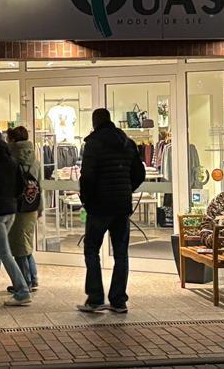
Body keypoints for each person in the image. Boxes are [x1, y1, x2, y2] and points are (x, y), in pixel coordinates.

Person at [78, 108, 145, 314]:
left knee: (91, 250)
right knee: (121, 253)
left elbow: (87, 177)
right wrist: (126, 189)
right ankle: (118, 300)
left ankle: (95, 298)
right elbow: (139, 173)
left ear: (95, 122)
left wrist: (86, 200)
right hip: (121, 206)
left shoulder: (93, 144)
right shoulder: (127, 143)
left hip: (99, 206)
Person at [0, 130, 32, 306]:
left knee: (4, 253)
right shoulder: (11, 160)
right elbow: (21, 187)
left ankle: (22, 291)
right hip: (10, 211)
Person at [6, 126, 41, 292]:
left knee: (19, 246)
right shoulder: (35, 160)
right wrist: (40, 207)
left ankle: (25, 282)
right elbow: (40, 185)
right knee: (26, 243)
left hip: (18, 207)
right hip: (32, 205)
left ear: (13, 140)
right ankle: (33, 278)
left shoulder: (12, 160)